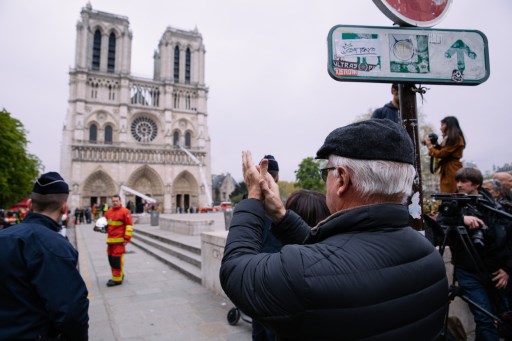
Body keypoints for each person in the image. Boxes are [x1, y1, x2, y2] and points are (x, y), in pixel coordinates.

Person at [220, 119, 448, 340]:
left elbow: (235, 271)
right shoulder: (429, 255)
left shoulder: (304, 273)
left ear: (342, 179)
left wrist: (252, 198)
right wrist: (282, 216)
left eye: (326, 172)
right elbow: (334, 258)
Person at [0, 172, 89, 340]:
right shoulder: (56, 246)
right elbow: (71, 313)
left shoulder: (3, 236)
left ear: (29, 204)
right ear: (64, 208)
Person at [441, 167, 512, 340]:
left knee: (504, 317)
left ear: (477, 184)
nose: (459, 185)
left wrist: (508, 269)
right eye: (458, 181)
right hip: (468, 272)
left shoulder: (494, 206)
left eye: (464, 181)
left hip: (495, 272)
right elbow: (438, 228)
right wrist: (460, 219)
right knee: (485, 319)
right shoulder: (453, 205)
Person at [424, 116, 466, 193]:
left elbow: (442, 154)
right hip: (448, 168)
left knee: (450, 193)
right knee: (447, 192)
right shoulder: (448, 139)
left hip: (452, 169)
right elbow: (440, 151)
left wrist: (430, 146)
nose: (440, 128)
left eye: (442, 125)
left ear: (449, 125)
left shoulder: (455, 138)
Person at [104, 194, 133, 287]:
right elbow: (106, 226)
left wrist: (126, 239)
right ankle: (120, 274)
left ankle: (117, 280)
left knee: (116, 261)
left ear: (120, 201)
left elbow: (129, 226)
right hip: (110, 242)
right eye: (113, 201)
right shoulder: (108, 212)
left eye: (117, 201)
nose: (115, 202)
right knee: (111, 260)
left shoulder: (125, 212)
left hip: (119, 242)